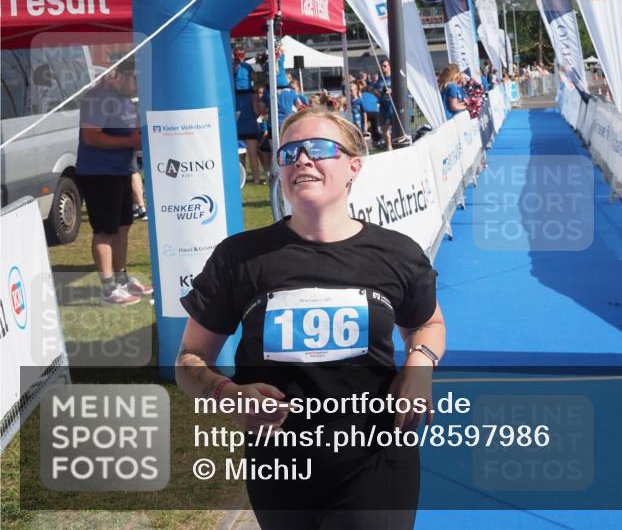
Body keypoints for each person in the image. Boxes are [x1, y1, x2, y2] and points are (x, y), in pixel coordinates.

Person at [176, 107, 444, 529]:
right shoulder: (239, 257)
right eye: (289, 153)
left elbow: (428, 324)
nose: (302, 159)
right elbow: (189, 361)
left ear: (354, 166)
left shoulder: (396, 253)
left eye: (318, 149)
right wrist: (226, 392)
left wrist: (420, 365)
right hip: (279, 471)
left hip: (376, 462)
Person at [75, 58, 153, 306]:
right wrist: (131, 141)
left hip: (120, 171)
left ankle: (121, 279)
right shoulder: (98, 97)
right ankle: (108, 290)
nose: (138, 86)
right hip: (99, 174)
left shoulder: (125, 99)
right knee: (105, 231)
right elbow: (91, 137)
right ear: (119, 75)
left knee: (122, 227)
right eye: (135, 80)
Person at [233, 45, 263, 185]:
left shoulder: (251, 95)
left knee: (246, 154)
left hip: (245, 123)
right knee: (245, 155)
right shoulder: (233, 67)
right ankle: (248, 179)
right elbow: (258, 112)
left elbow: (257, 112)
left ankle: (250, 179)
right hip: (243, 123)